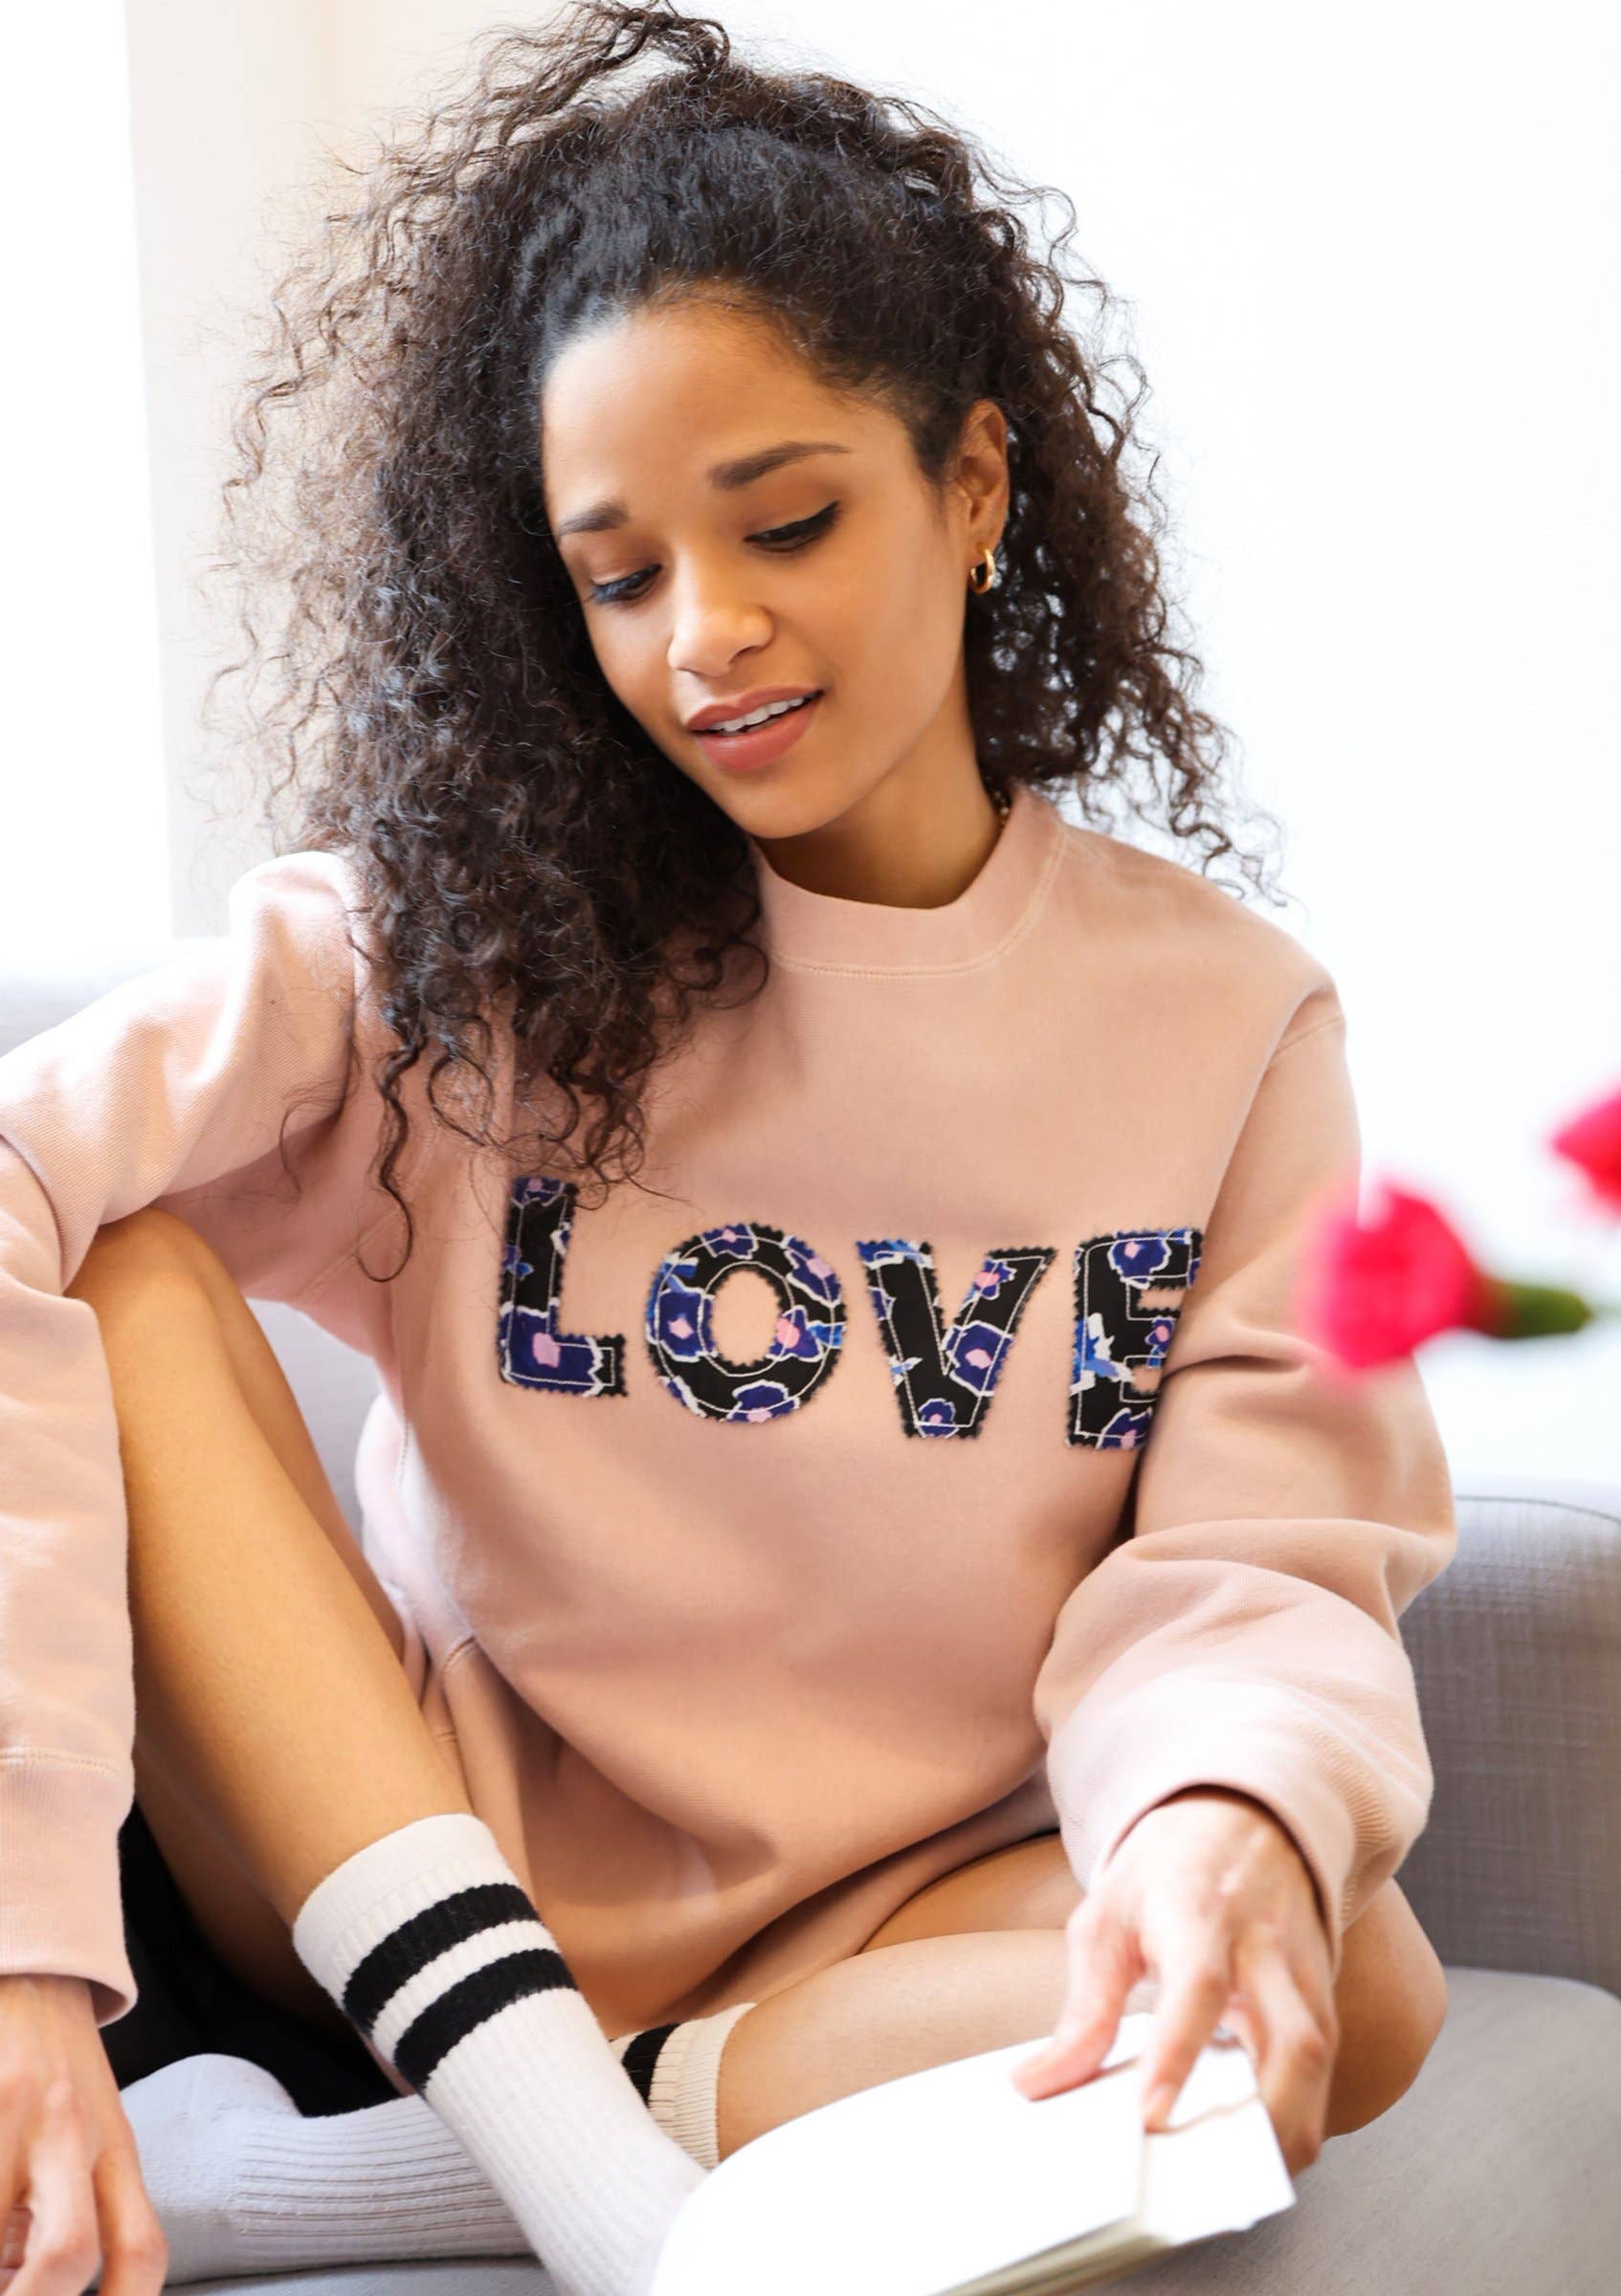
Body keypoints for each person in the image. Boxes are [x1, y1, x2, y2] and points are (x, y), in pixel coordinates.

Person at [0, 5, 1455, 2292]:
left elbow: (1257, 1554)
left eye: (786, 522)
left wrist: (1214, 1820)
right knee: (123, 1259)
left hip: (898, 1916)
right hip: (415, 1878)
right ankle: (583, 2178)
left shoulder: (1225, 1024)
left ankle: (344, 2176)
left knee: (1341, 1989)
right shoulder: (436, 951)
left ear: (972, 485)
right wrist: (21, 1935)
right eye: (621, 575)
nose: (709, 635)